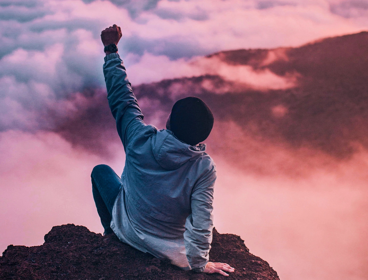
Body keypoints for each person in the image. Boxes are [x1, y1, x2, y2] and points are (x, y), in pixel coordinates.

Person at [91, 24, 235, 277]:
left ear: (169, 122)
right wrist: (200, 264)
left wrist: (111, 50)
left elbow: (122, 99)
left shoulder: (138, 138)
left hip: (129, 231)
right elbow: (203, 221)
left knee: (101, 172)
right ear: (202, 136)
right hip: (169, 251)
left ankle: (110, 233)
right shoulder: (203, 167)